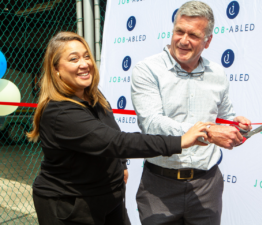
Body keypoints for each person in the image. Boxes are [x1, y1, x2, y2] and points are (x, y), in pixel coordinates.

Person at [27, 31, 211, 225]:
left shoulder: (92, 95)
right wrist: (180, 141)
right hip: (70, 205)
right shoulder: (60, 113)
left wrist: (121, 164)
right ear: (56, 69)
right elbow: (115, 142)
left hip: (108, 197)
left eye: (86, 56)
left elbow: (111, 131)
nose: (84, 64)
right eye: (74, 59)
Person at [131, 1, 252, 225]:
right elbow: (152, 124)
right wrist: (208, 131)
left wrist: (236, 126)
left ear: (208, 41)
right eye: (179, 31)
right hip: (159, 185)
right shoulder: (147, 70)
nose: (183, 41)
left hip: (207, 185)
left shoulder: (218, 73)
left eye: (194, 35)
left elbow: (224, 117)